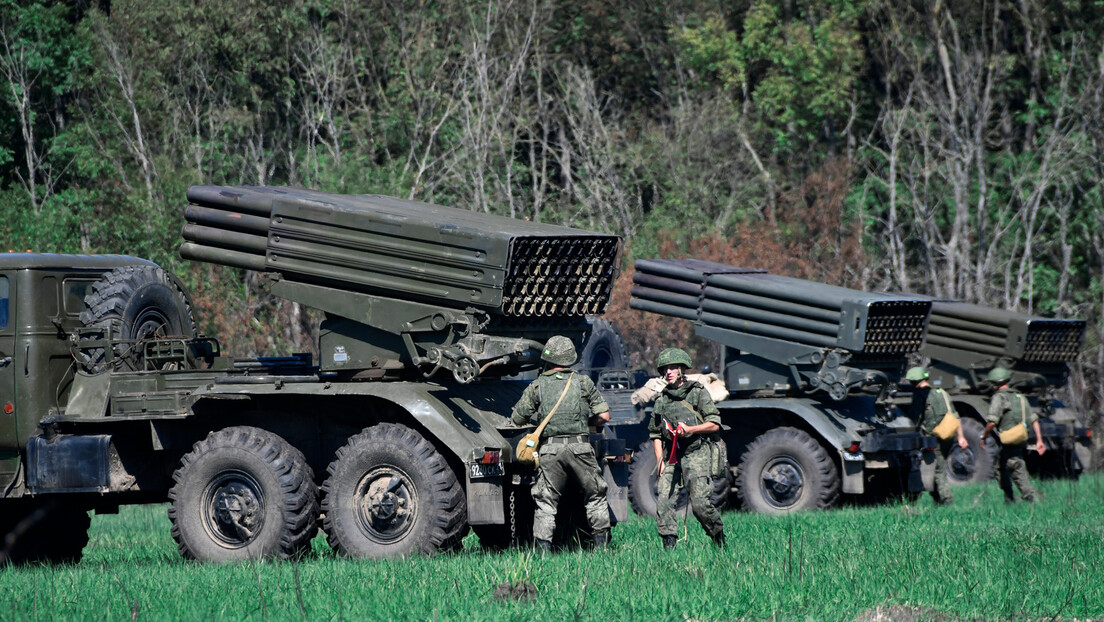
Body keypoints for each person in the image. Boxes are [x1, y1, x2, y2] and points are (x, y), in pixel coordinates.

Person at [511, 335, 611, 551]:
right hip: (581, 448)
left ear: (547, 358)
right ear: (570, 359)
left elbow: (518, 418)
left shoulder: (537, 386)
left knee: (546, 501)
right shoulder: (583, 382)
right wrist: (584, 422)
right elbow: (604, 416)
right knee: (595, 496)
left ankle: (543, 551)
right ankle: (601, 548)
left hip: (550, 450)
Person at [649, 347, 726, 549]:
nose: (668, 372)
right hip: (673, 455)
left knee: (700, 505)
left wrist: (690, 429)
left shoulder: (697, 392)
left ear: (682, 369)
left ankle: (719, 539)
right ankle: (669, 549)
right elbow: (655, 434)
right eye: (665, 369)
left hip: (697, 451)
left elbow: (714, 424)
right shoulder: (661, 399)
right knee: (664, 501)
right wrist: (660, 461)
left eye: (673, 368)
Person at [980, 367, 1045, 503]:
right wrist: (1039, 440)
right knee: (999, 466)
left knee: (1016, 467)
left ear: (994, 383)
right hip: (1020, 437)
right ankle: (1009, 498)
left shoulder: (999, 397)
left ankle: (1033, 498)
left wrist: (984, 436)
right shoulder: (1020, 397)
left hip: (1009, 439)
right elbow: (1034, 420)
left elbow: (992, 422)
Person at [905, 366, 968, 505]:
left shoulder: (921, 394)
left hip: (933, 438)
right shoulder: (942, 392)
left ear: (915, 382)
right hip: (948, 435)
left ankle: (947, 500)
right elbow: (955, 416)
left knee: (937, 469)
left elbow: (915, 417)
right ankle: (937, 499)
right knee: (938, 465)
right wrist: (961, 437)